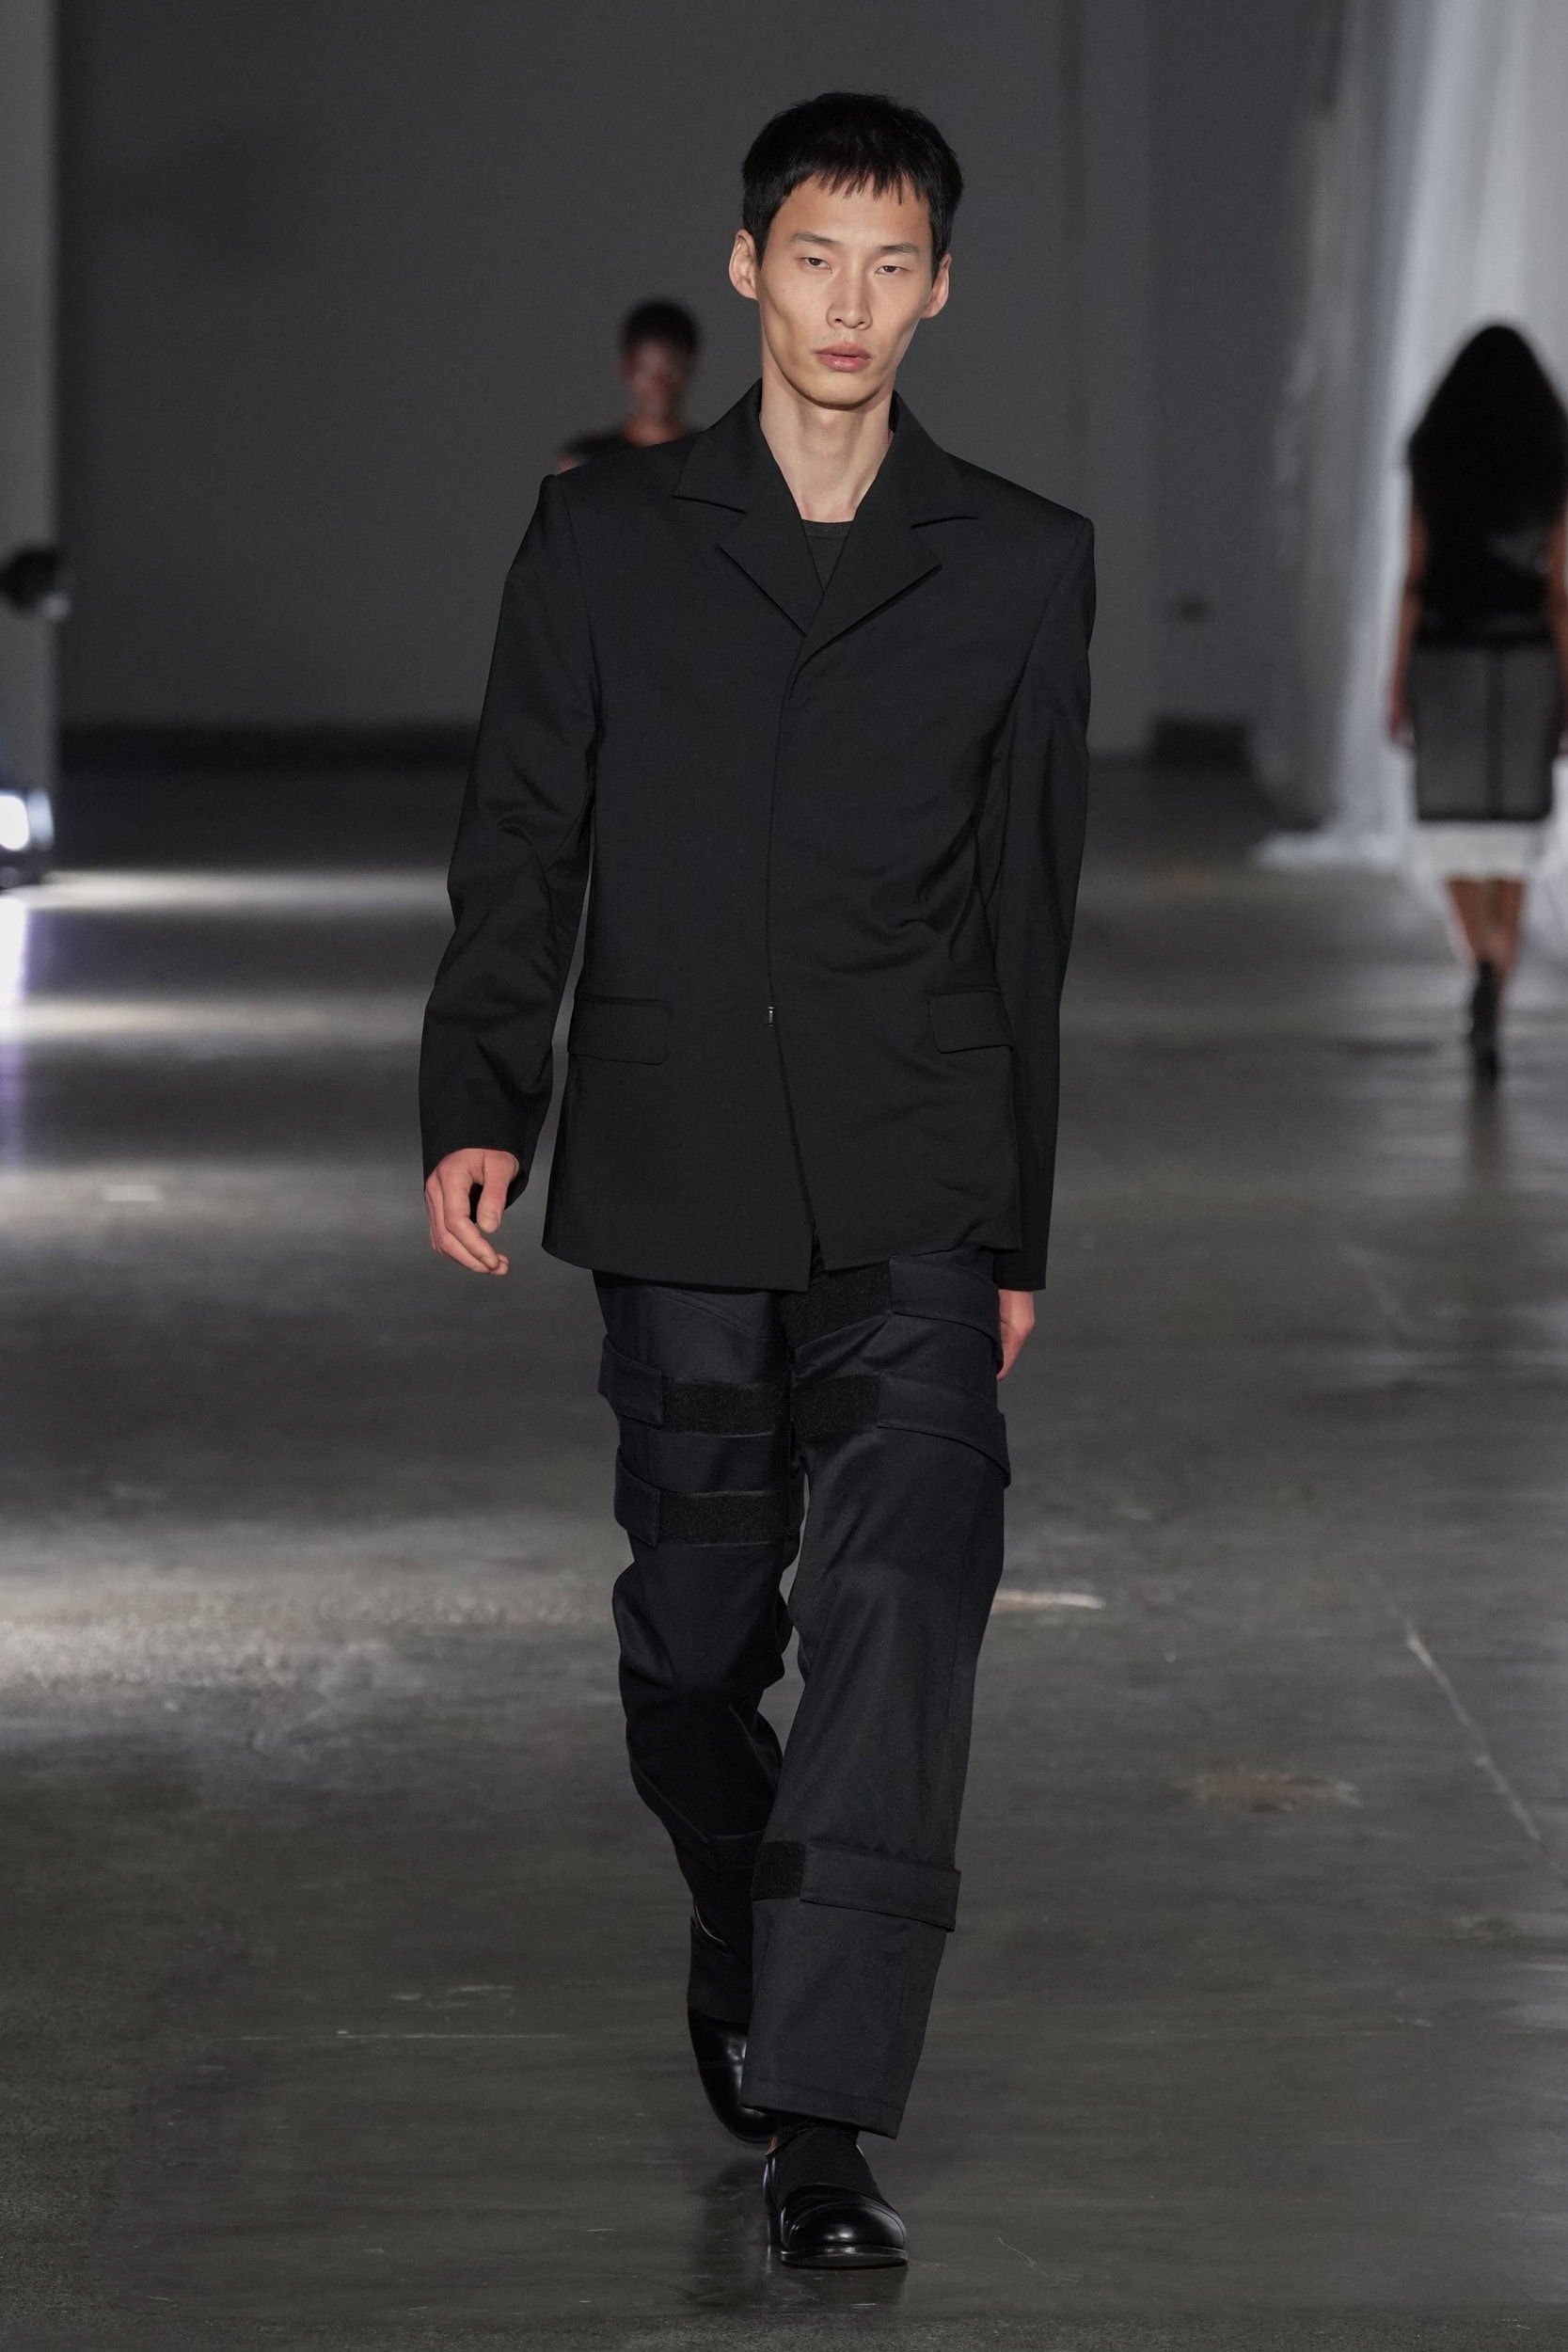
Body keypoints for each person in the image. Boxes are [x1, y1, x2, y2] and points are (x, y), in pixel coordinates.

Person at [420, 90, 1093, 2268]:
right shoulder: (603, 540)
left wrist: (1014, 1226)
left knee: (901, 1596)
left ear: (939, 288)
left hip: (914, 1171)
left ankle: (820, 2117)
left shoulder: (1017, 561)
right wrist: (480, 1091)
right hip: (675, 1165)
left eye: (891, 264)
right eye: (814, 256)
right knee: (697, 1650)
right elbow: (522, 831)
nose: (848, 302)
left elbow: (1023, 918)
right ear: (747, 268)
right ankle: (741, 1904)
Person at [1388, 324, 1568, 1083]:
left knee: (1454, 831)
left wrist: (1394, 682)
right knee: (1512, 838)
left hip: (1447, 655)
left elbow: (1413, 579)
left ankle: (1480, 966)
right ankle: (1498, 966)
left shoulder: (1433, 460)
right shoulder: (1551, 465)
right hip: (1524, 660)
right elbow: (1557, 594)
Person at [557, 298, 701, 470]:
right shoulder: (586, 460)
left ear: (688, 372)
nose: (658, 385)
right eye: (645, 371)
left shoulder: (708, 456)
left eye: (670, 372)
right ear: (627, 370)